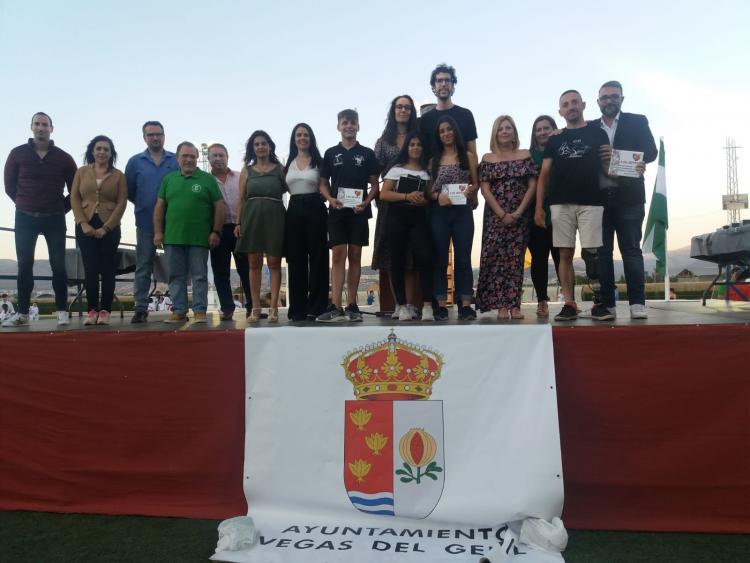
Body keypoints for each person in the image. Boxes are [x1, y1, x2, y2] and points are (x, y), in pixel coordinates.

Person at [534, 90, 611, 322]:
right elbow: (544, 175)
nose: (571, 107)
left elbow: (608, 170)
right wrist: (539, 207)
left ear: (583, 105)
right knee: (564, 253)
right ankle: (569, 302)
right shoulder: (555, 139)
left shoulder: (598, 133)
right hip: (560, 204)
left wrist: (622, 163)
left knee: (593, 254)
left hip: (592, 201)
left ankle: (599, 302)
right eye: (565, 104)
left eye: (574, 102)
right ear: (561, 111)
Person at [3, 112, 77, 328]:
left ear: (51, 129)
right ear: (31, 127)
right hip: (25, 217)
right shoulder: (17, 154)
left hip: (54, 217)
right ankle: (23, 312)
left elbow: (75, 191)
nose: (41, 127)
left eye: (45, 124)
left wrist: (59, 209)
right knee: (24, 265)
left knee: (59, 265)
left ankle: (62, 311)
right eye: (37, 124)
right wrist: (24, 203)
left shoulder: (64, 158)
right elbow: (9, 186)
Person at [593, 80, 658, 320]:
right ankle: (608, 304)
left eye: (613, 96)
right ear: (598, 101)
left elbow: (651, 152)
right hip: (599, 199)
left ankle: (637, 303)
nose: (609, 100)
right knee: (603, 253)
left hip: (630, 196)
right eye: (605, 97)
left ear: (622, 98)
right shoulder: (590, 127)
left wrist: (640, 161)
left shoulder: (637, 121)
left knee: (631, 250)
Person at [316, 109, 380, 322]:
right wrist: (330, 199)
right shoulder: (331, 153)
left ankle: (352, 305)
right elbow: (323, 183)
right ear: (339, 126)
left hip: (358, 211)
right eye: (345, 123)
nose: (349, 126)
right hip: (337, 211)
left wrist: (366, 201)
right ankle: (335, 306)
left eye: (353, 123)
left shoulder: (368, 153)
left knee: (355, 256)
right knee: (337, 256)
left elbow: (374, 185)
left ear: (358, 126)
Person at [153, 142, 224, 323]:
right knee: (176, 276)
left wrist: (216, 231)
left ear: (197, 159)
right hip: (173, 237)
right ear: (178, 158)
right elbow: (160, 207)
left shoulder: (207, 179)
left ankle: (200, 311)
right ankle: (179, 311)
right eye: (185, 156)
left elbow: (219, 206)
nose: (189, 160)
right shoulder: (169, 180)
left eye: (192, 156)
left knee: (200, 276)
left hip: (199, 239)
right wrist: (158, 232)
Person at [476, 116, 538, 320]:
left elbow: (532, 185)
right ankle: (500, 305)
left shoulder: (524, 155)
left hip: (521, 216)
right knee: (495, 259)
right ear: (495, 133)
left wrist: (519, 212)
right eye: (500, 128)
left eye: (508, 128)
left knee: (515, 260)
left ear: (514, 132)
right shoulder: (487, 158)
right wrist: (501, 214)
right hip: (495, 217)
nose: (504, 131)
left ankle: (514, 305)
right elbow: (485, 189)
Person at [125, 121, 179, 323]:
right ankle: (140, 307)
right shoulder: (134, 162)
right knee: (143, 265)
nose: (155, 138)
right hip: (145, 222)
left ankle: (179, 306)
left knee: (175, 266)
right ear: (144, 137)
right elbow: (129, 191)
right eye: (151, 134)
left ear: (164, 136)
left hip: (173, 222)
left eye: (159, 134)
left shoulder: (175, 160)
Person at [71, 135, 128, 326]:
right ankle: (92, 310)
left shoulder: (118, 175)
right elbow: (74, 199)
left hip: (109, 226)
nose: (102, 152)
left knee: (108, 269)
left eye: (106, 149)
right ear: (92, 151)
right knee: (90, 269)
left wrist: (106, 227)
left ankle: (105, 310)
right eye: (99, 148)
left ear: (111, 153)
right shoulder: (81, 172)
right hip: (85, 225)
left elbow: (121, 203)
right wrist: (82, 222)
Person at [427, 115, 479, 321]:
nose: (446, 133)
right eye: (442, 131)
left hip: (462, 211)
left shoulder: (468, 156)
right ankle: (440, 304)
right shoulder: (433, 160)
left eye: (449, 129)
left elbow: (476, 184)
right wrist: (437, 196)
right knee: (440, 258)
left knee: (463, 258)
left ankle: (465, 303)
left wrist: (470, 192)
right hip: (439, 212)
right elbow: (429, 190)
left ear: (455, 131)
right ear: (438, 135)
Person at [379, 132, 435, 321]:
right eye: (412, 144)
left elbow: (429, 196)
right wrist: (405, 196)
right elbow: (384, 194)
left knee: (425, 258)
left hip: (418, 216)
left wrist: (423, 201)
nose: (416, 148)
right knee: (398, 261)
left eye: (419, 144)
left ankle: (427, 305)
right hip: (397, 216)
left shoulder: (426, 172)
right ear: (407, 148)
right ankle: (401, 306)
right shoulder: (396, 169)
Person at [372, 95, 419, 318]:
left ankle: (410, 304)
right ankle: (399, 304)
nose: (403, 110)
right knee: (393, 257)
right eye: (399, 106)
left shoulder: (418, 137)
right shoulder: (383, 141)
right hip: (390, 203)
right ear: (393, 110)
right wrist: (375, 198)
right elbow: (374, 174)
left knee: (412, 255)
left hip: (414, 204)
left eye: (407, 107)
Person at [235, 131, 286, 323]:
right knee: (254, 263)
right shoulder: (246, 171)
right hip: (252, 218)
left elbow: (291, 187)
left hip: (275, 217)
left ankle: (274, 308)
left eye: (263, 143)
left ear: (270, 146)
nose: (260, 147)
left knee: (274, 262)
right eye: (256, 144)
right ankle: (255, 307)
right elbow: (241, 198)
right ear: (252, 148)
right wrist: (238, 222)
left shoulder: (280, 169)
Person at [284, 123, 328, 321]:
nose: (302, 138)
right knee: (296, 259)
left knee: (318, 258)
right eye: (299, 135)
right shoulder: (288, 163)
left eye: (306, 135)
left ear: (311, 138)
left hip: (315, 207)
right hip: (294, 209)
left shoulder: (319, 161)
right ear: (294, 139)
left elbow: (326, 189)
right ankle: (298, 308)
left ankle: (317, 306)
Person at [207, 143, 251, 321]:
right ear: (208, 159)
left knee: (247, 270)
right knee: (221, 273)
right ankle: (227, 308)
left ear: (227, 157)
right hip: (218, 231)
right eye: (214, 156)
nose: (218, 158)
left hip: (241, 228)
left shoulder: (240, 177)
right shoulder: (205, 180)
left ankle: (253, 307)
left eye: (221, 155)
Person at [528, 115, 562, 317]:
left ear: (553, 129)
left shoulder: (562, 150)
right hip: (536, 214)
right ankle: (542, 301)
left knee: (562, 258)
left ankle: (569, 300)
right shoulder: (528, 156)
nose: (542, 132)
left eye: (546, 128)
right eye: (538, 129)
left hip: (560, 212)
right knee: (539, 259)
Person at [418, 64, 478, 159]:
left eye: (447, 80)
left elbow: (473, 153)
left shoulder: (466, 115)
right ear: (433, 87)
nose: (444, 84)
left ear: (453, 86)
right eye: (439, 81)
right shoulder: (425, 120)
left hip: (463, 171)